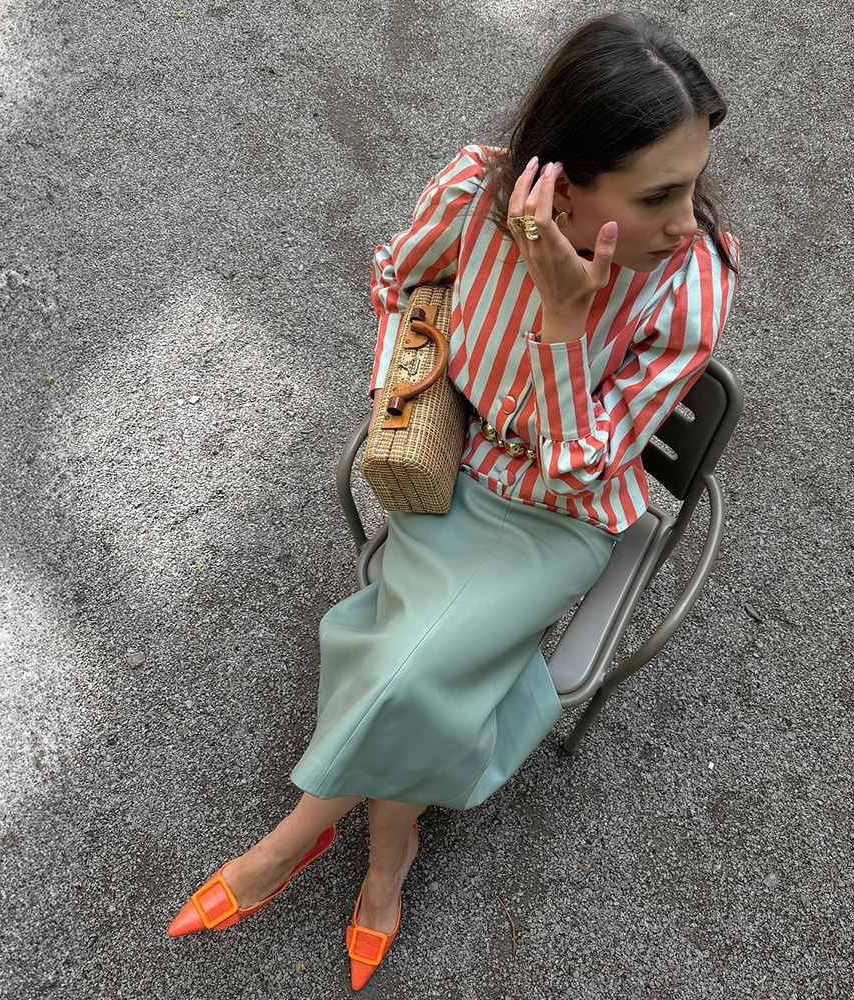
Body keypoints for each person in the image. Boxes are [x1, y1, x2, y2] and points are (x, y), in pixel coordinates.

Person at [167, 12, 739, 990]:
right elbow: (398, 280)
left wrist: (564, 323)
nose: (690, 221)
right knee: (421, 677)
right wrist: (403, 395)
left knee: (403, 671)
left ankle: (293, 843)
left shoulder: (690, 287)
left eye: (693, 183)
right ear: (561, 186)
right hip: (452, 472)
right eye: (658, 195)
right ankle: (388, 856)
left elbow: (583, 467)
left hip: (557, 520)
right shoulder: (475, 194)